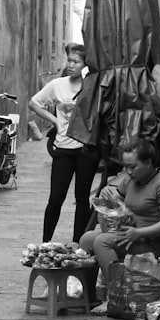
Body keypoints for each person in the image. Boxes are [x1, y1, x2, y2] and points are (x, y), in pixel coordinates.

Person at [79, 138, 160, 283]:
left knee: (103, 242)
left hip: (151, 243)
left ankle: (118, 293)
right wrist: (109, 204)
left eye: (133, 167)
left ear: (148, 163)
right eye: (126, 167)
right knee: (87, 239)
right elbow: (115, 202)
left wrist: (138, 233)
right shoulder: (130, 180)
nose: (129, 171)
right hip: (128, 235)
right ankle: (90, 296)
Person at [28, 43, 99, 242]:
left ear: (85, 63)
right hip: (63, 149)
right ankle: (46, 242)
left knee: (82, 199)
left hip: (85, 150)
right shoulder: (57, 85)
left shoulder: (91, 86)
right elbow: (34, 103)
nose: (71, 65)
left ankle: (78, 242)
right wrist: (55, 121)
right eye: (69, 60)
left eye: (76, 61)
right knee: (56, 198)